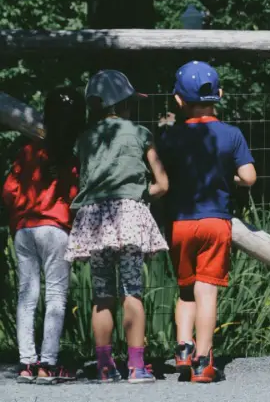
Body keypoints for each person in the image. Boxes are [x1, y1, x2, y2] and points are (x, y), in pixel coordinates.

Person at [68, 70, 169, 384]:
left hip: (94, 219)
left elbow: (78, 179)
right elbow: (162, 184)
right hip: (127, 217)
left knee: (102, 295)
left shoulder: (84, 138)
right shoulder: (140, 134)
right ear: (123, 103)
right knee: (132, 291)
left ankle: (104, 366)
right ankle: (136, 367)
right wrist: (138, 196)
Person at [159, 61, 257, 383]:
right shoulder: (231, 134)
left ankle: (183, 348)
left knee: (186, 289)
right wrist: (230, 176)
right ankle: (203, 360)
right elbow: (249, 177)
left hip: (181, 223)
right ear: (220, 95)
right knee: (208, 291)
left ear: (178, 100)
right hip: (216, 222)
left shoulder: (170, 137)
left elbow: (163, 175)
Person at [3, 88, 86, 383]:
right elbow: (75, 198)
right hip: (57, 229)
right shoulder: (72, 159)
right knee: (56, 297)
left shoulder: (27, 151)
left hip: (25, 230)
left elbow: (9, 191)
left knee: (27, 295)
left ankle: (26, 362)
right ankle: (48, 364)